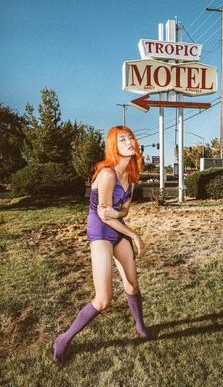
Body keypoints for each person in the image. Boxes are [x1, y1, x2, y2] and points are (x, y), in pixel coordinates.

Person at [53, 125, 154, 365]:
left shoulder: (130, 174)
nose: (130, 141)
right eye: (122, 140)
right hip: (100, 233)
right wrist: (133, 234)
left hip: (117, 230)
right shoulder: (107, 174)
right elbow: (105, 217)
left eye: (131, 137)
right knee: (103, 300)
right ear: (113, 146)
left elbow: (124, 209)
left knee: (132, 284)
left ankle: (140, 327)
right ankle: (63, 339)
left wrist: (118, 213)